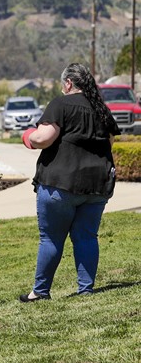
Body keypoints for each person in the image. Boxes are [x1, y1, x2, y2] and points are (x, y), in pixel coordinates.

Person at [20, 63, 120, 302]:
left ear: (68, 83)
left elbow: (44, 138)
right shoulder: (101, 108)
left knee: (51, 238)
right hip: (97, 186)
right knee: (86, 236)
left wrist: (27, 137)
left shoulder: (60, 104)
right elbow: (110, 142)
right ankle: (86, 290)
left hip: (60, 183)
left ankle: (41, 292)